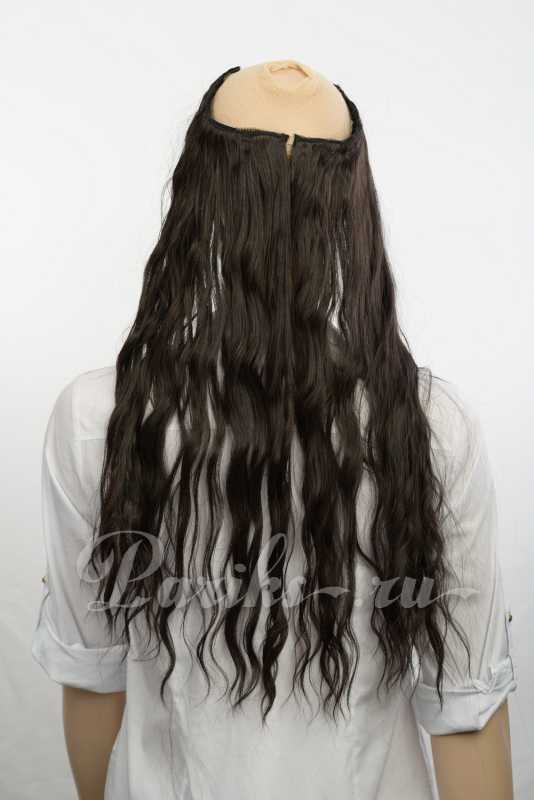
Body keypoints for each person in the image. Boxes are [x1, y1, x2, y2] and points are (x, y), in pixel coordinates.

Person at [32, 62, 517, 800]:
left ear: (201, 199)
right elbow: (468, 712)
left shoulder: (100, 421)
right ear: (352, 208)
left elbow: (91, 675)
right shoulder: (430, 428)